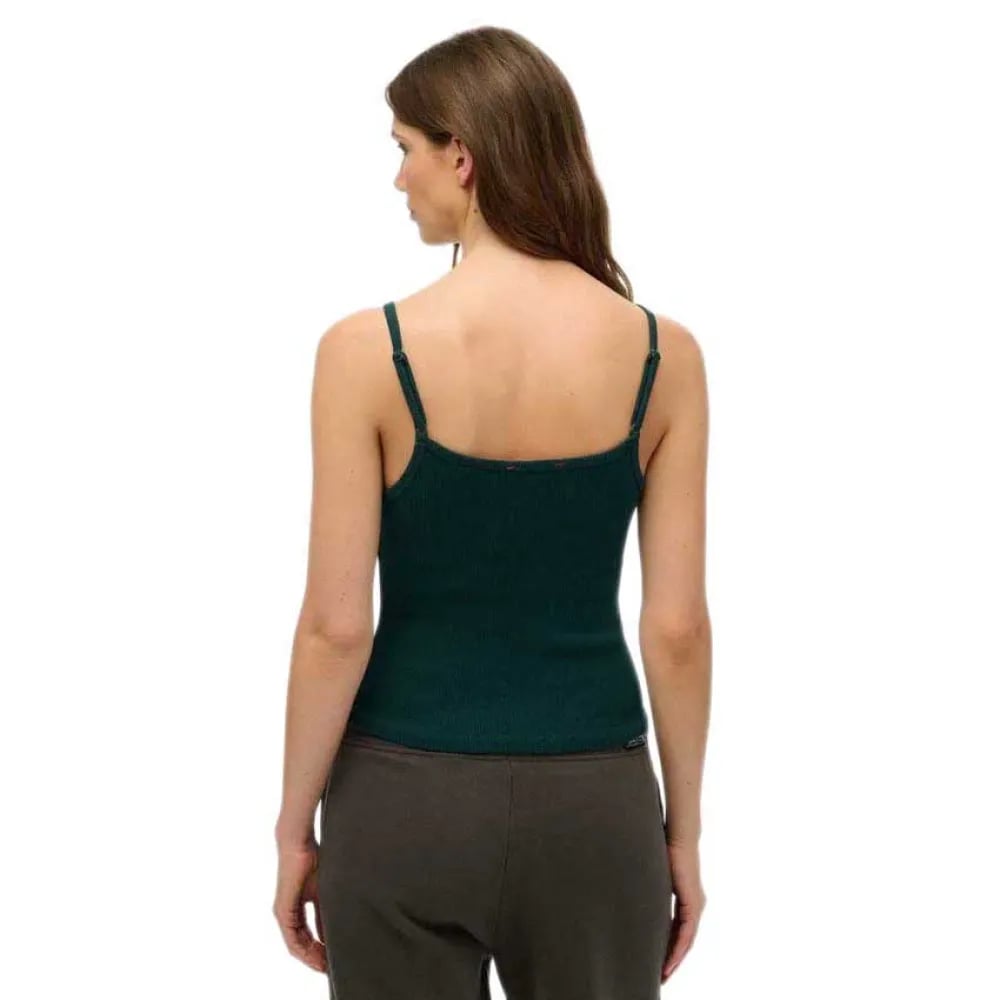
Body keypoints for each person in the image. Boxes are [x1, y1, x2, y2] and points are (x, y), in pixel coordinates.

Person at [273, 25, 711, 999]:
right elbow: (677, 628)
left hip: (401, 802)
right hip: (596, 806)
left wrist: (294, 826)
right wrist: (681, 835)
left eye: (405, 149)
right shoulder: (662, 357)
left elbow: (335, 628)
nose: (399, 180)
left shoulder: (365, 353)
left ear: (461, 156)